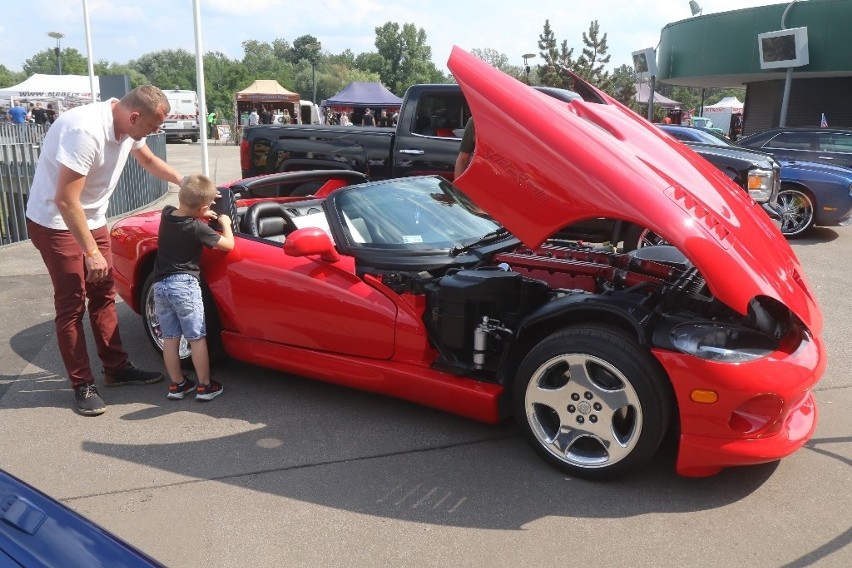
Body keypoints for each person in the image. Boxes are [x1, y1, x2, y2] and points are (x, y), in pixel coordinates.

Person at [25, 85, 183, 416]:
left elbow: (149, 160)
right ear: (135, 116)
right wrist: (90, 252)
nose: (154, 133)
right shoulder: (85, 130)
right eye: (153, 127)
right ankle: (82, 383)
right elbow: (65, 200)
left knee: (103, 293)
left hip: (91, 217)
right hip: (56, 221)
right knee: (72, 302)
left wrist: (186, 183)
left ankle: (116, 369)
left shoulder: (129, 124)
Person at [153, 174, 234, 402]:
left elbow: (188, 206)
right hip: (184, 286)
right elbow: (228, 245)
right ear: (205, 207)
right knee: (196, 337)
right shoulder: (198, 228)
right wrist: (225, 224)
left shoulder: (167, 214)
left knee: (170, 338)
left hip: (160, 286)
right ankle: (205, 386)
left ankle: (177, 385)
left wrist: (201, 210)